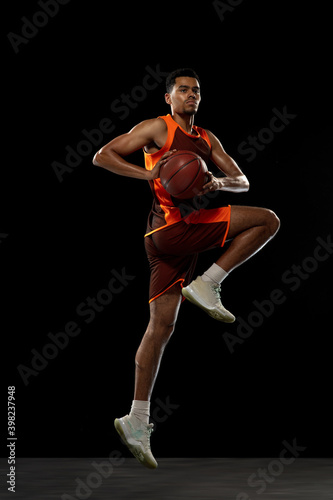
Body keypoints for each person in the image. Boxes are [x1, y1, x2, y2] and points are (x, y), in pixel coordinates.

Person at [93, 68, 280, 469]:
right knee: (268, 220)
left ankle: (136, 419)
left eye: (196, 91)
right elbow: (102, 155)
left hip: (166, 240)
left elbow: (242, 179)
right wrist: (146, 173)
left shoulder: (208, 139)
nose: (190, 95)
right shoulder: (155, 129)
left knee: (161, 327)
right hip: (173, 229)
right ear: (168, 97)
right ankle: (209, 283)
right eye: (182, 90)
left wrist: (217, 184)